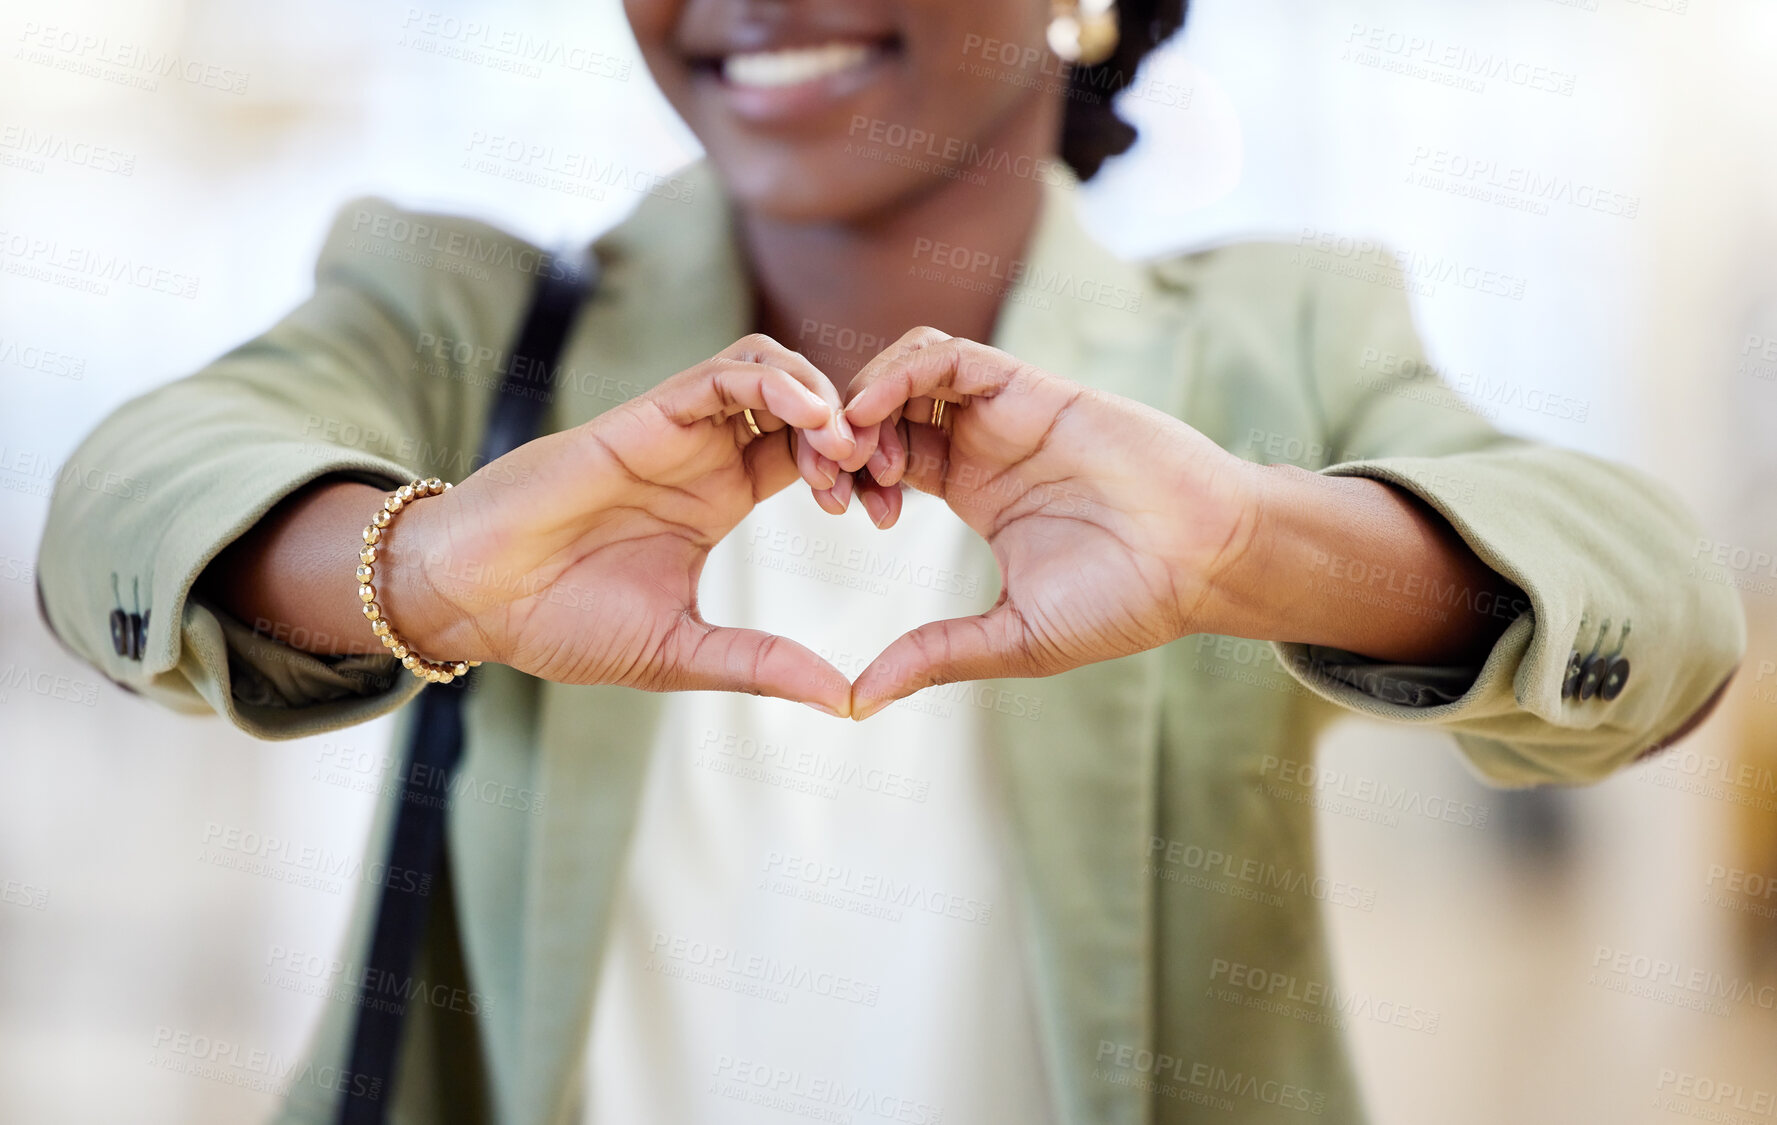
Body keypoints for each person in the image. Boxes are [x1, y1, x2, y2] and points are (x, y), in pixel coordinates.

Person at [37, 0, 1745, 1122]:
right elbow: (121, 504)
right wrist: (420, 570)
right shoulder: (465, 317)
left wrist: (1249, 544)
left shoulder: (1270, 338)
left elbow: (1659, 611)